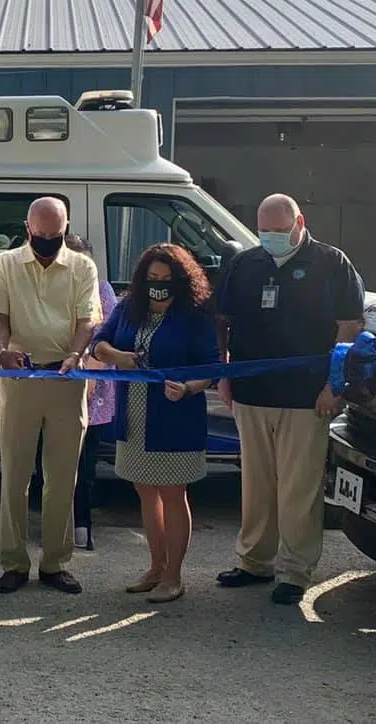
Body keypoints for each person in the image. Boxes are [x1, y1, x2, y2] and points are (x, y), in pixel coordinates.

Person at [216, 193, 365, 605]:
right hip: (250, 393)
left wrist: (333, 387)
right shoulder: (245, 264)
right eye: (265, 232)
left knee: (299, 488)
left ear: (299, 223)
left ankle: (294, 572)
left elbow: (349, 329)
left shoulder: (331, 262)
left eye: (280, 231)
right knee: (256, 485)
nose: (272, 238)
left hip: (307, 396)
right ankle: (254, 561)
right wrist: (223, 374)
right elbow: (223, 322)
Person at [92, 244, 219, 602]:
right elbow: (98, 344)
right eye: (152, 279)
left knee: (173, 493)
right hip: (133, 415)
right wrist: (120, 357)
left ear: (180, 280)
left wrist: (190, 387)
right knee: (145, 491)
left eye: (166, 279)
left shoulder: (195, 315)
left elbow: (212, 365)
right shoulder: (130, 307)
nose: (158, 285)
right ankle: (156, 566)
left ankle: (175, 576)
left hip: (175, 415)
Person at [0, 196, 101, 596]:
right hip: (18, 378)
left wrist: (75, 354)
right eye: (42, 235)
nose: (49, 242)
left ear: (66, 230)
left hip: (66, 380)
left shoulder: (83, 266)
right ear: (27, 228)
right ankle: (14, 562)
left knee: (62, 477)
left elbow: (87, 319)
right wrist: (3, 350)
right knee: (14, 476)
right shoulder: (3, 264)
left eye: (57, 236)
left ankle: (55, 563)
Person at [65, 233, 117, 551]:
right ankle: (56, 525)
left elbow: (106, 333)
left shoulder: (102, 290)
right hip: (53, 383)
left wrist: (89, 375)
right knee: (52, 463)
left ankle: (82, 525)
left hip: (90, 389)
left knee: (84, 463)